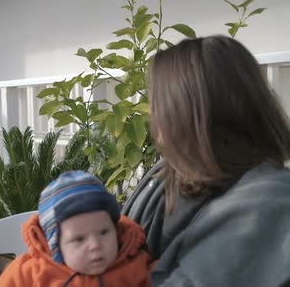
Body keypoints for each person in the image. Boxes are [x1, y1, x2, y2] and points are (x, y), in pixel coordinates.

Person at [124, 35, 290, 286]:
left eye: (158, 103)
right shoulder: (166, 174)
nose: (152, 115)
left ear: (186, 113)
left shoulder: (269, 205)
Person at [0, 171, 152, 287]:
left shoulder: (136, 266)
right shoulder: (28, 273)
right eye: (79, 239)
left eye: (104, 232)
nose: (95, 245)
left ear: (116, 230)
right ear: (55, 245)